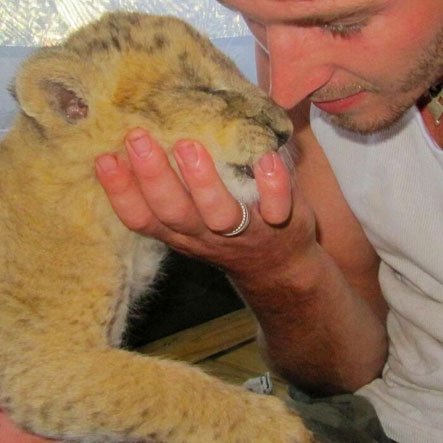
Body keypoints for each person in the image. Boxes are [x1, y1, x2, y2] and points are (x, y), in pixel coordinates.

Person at [3, 0, 442, 441]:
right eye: (254, 24)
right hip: (397, 412)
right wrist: (276, 260)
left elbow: (44, 379)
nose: (284, 96)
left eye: (345, 24)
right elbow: (352, 371)